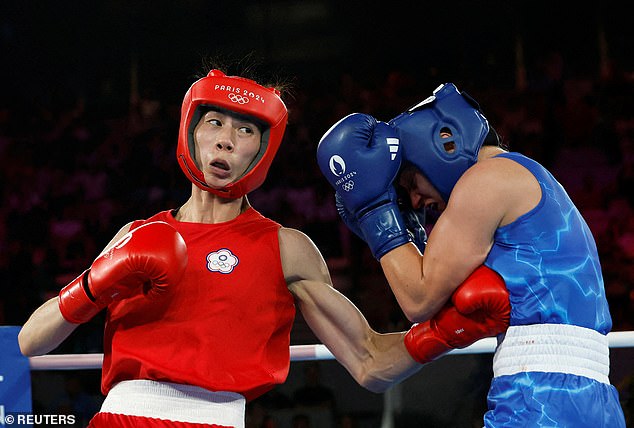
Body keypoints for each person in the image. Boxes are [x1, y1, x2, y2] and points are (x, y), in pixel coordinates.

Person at [18, 67, 509, 428]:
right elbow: (29, 342)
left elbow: (370, 363)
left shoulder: (287, 249)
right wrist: (96, 281)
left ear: (263, 149)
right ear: (190, 131)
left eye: (245, 129)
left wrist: (443, 333)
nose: (226, 141)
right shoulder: (134, 234)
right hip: (123, 418)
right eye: (214, 123)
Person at [316, 82, 626, 426]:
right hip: (592, 400)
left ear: (442, 142)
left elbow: (418, 300)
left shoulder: (485, 180)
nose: (417, 202)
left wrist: (376, 211)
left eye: (410, 183)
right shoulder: (527, 176)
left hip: (539, 399)